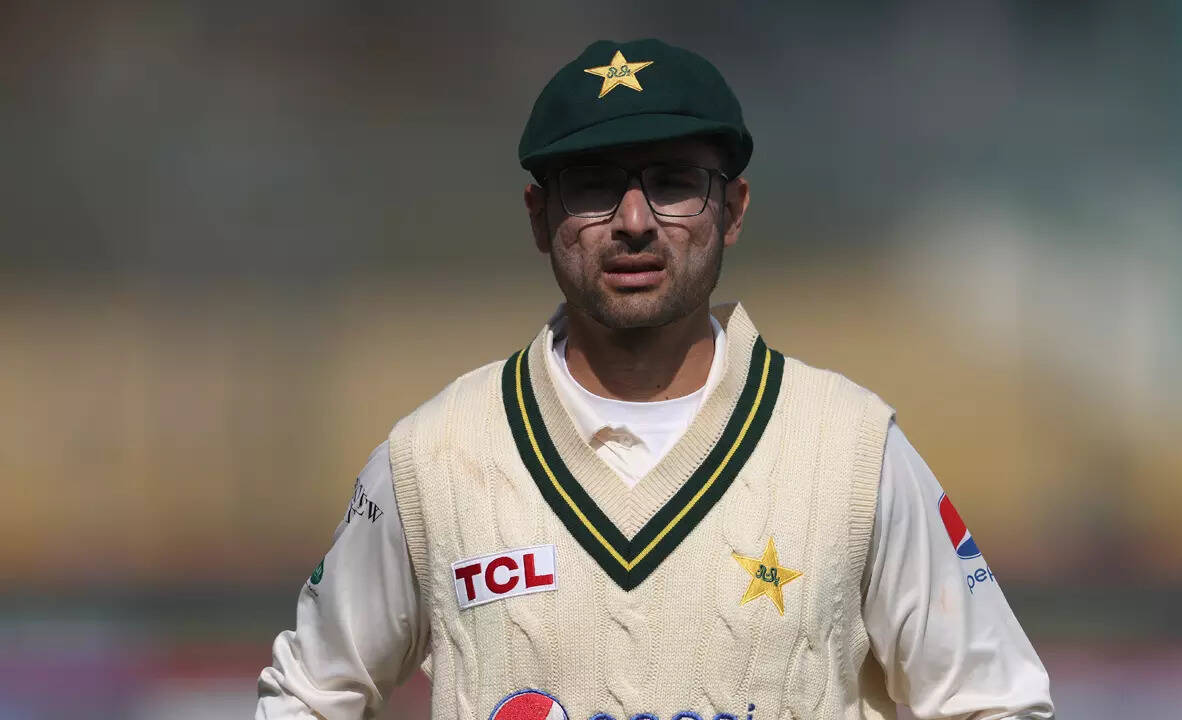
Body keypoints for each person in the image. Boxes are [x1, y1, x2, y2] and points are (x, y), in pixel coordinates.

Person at [256, 38, 1055, 720]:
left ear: (732, 210)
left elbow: (995, 703)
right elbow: (307, 698)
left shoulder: (849, 450)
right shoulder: (433, 460)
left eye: (673, 182)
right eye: (594, 184)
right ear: (539, 216)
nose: (635, 221)